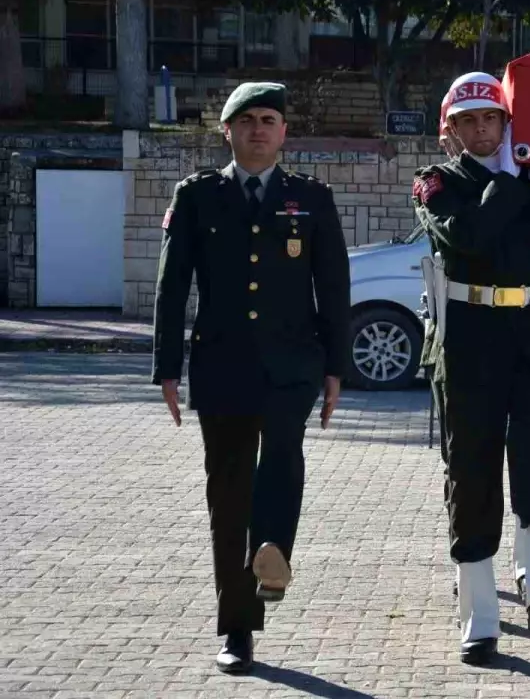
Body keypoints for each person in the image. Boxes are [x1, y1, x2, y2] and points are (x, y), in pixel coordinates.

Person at [151, 81, 351, 675]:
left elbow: (334, 288)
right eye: (247, 120)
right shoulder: (197, 197)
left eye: (269, 120)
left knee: (284, 454)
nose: (259, 129)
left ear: (284, 132)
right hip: (223, 365)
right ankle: (237, 628)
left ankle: (272, 553)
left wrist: (338, 365)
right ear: (228, 130)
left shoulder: (311, 198)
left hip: (293, 364)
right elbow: (172, 284)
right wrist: (166, 366)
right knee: (228, 494)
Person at [413, 71, 530, 666]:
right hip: (471, 339)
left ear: (508, 123)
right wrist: (512, 182)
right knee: (474, 468)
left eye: (492, 120)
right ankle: (479, 613)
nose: (481, 131)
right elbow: (468, 238)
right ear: (449, 131)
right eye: (468, 122)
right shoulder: (436, 183)